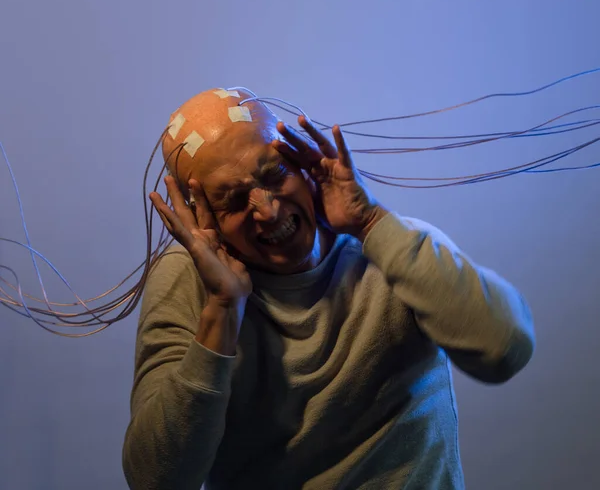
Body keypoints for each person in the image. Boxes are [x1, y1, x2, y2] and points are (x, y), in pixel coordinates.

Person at [122, 88, 535, 490]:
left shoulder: (389, 246)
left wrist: (371, 223)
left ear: (300, 161)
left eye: (275, 174)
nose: (268, 210)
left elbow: (506, 349)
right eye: (233, 200)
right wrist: (223, 310)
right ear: (201, 218)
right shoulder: (188, 283)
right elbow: (156, 480)